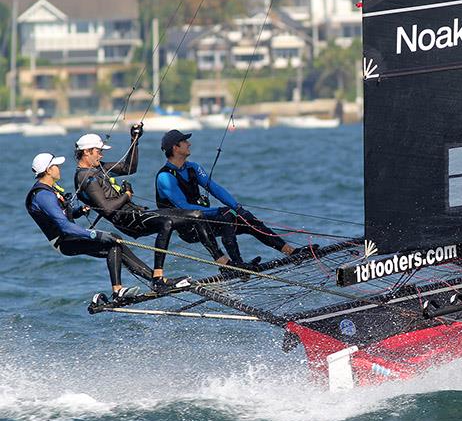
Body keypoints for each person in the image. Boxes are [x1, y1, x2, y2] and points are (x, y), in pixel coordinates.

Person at [73, 125, 230, 291]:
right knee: (167, 222)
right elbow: (107, 209)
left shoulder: (98, 168)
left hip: (137, 213)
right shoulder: (85, 177)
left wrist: (135, 140)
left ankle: (223, 262)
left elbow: (129, 168)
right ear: (87, 152)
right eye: (98, 151)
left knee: (196, 214)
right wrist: (127, 195)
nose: (101, 154)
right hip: (127, 220)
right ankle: (158, 278)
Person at [155, 130, 315, 265]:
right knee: (224, 216)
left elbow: (214, 188)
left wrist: (236, 207)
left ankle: (291, 252)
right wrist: (219, 210)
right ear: (175, 147)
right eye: (184, 141)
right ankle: (235, 265)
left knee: (247, 220)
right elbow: (183, 207)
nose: (189, 144)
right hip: (187, 228)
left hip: (205, 219)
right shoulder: (165, 177)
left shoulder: (193, 167)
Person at [26, 152, 153, 299]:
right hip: (65, 241)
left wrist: (78, 211)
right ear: (48, 170)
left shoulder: (49, 189)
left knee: (115, 243)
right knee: (112, 243)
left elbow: (58, 215)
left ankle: (154, 280)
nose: (59, 168)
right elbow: (64, 226)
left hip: (69, 237)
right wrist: (95, 234)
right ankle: (119, 291)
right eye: (56, 166)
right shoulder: (43, 195)